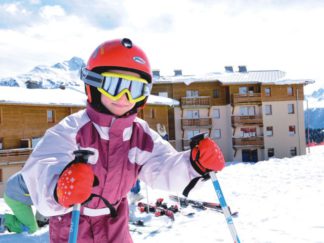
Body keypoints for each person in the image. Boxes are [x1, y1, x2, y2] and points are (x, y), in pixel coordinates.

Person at [20, 38, 225, 243]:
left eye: (134, 89)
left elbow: (163, 167)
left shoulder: (140, 135)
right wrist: (59, 188)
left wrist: (195, 164)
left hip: (115, 226)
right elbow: (43, 167)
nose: (124, 96)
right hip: (73, 226)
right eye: (114, 85)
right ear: (94, 83)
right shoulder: (72, 130)